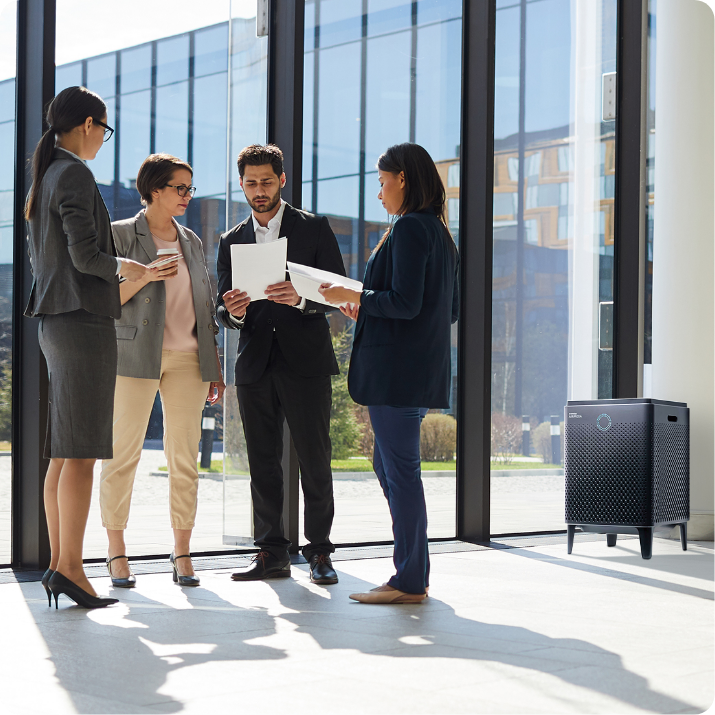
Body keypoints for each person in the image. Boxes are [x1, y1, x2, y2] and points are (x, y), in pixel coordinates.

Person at [23, 86, 148, 609]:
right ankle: (71, 568)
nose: (103, 140)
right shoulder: (73, 172)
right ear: (89, 124)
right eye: (104, 129)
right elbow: (85, 255)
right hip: (82, 321)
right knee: (80, 454)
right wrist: (129, 268)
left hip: (57, 321)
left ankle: (59, 564)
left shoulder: (48, 174)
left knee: (63, 452)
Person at [320, 142, 459, 604]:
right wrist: (369, 310)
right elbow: (444, 311)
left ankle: (410, 580)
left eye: (382, 183)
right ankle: (410, 571)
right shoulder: (439, 234)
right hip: (416, 372)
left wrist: (353, 294)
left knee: (401, 473)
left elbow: (405, 303)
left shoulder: (411, 231)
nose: (379, 194)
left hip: (398, 375)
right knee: (391, 467)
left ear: (402, 179)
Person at [216, 144, 345, 584]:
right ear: (241, 185)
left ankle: (321, 553)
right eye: (250, 183)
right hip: (255, 366)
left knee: (315, 459)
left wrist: (302, 297)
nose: (259, 190)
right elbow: (222, 309)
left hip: (305, 362)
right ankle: (271, 553)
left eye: (266, 181)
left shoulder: (314, 228)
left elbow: (336, 293)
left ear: (282, 180)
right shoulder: (231, 239)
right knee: (262, 463)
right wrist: (231, 310)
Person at [99, 154, 225, 588]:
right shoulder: (118, 235)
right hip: (134, 357)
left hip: (189, 359)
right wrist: (147, 275)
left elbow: (203, 306)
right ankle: (116, 552)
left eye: (190, 188)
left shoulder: (191, 239)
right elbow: (104, 301)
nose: (188, 195)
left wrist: (215, 365)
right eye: (180, 188)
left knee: (184, 458)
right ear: (154, 189)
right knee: (122, 455)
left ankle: (183, 553)